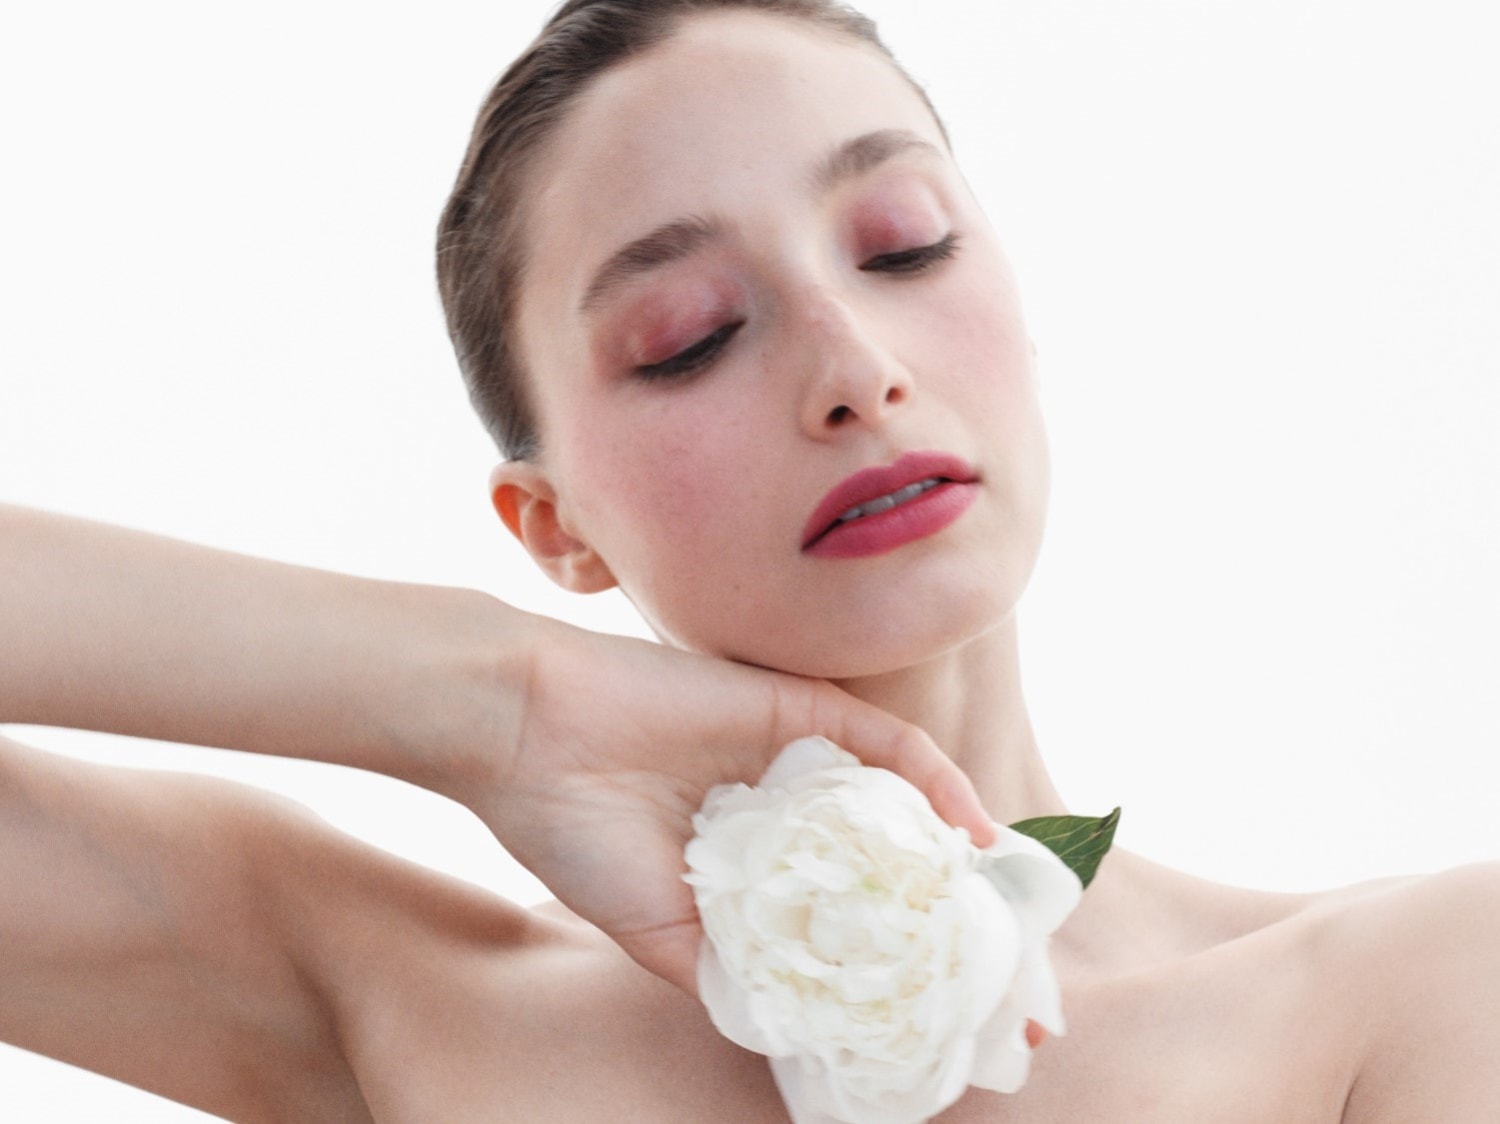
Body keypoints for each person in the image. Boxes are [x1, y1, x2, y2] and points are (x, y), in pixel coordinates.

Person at [3, 1, 1498, 1120]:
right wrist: (491, 702)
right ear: (554, 526)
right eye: (690, 338)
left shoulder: (1411, 986)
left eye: (904, 245)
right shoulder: (412, 1003)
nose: (856, 364)